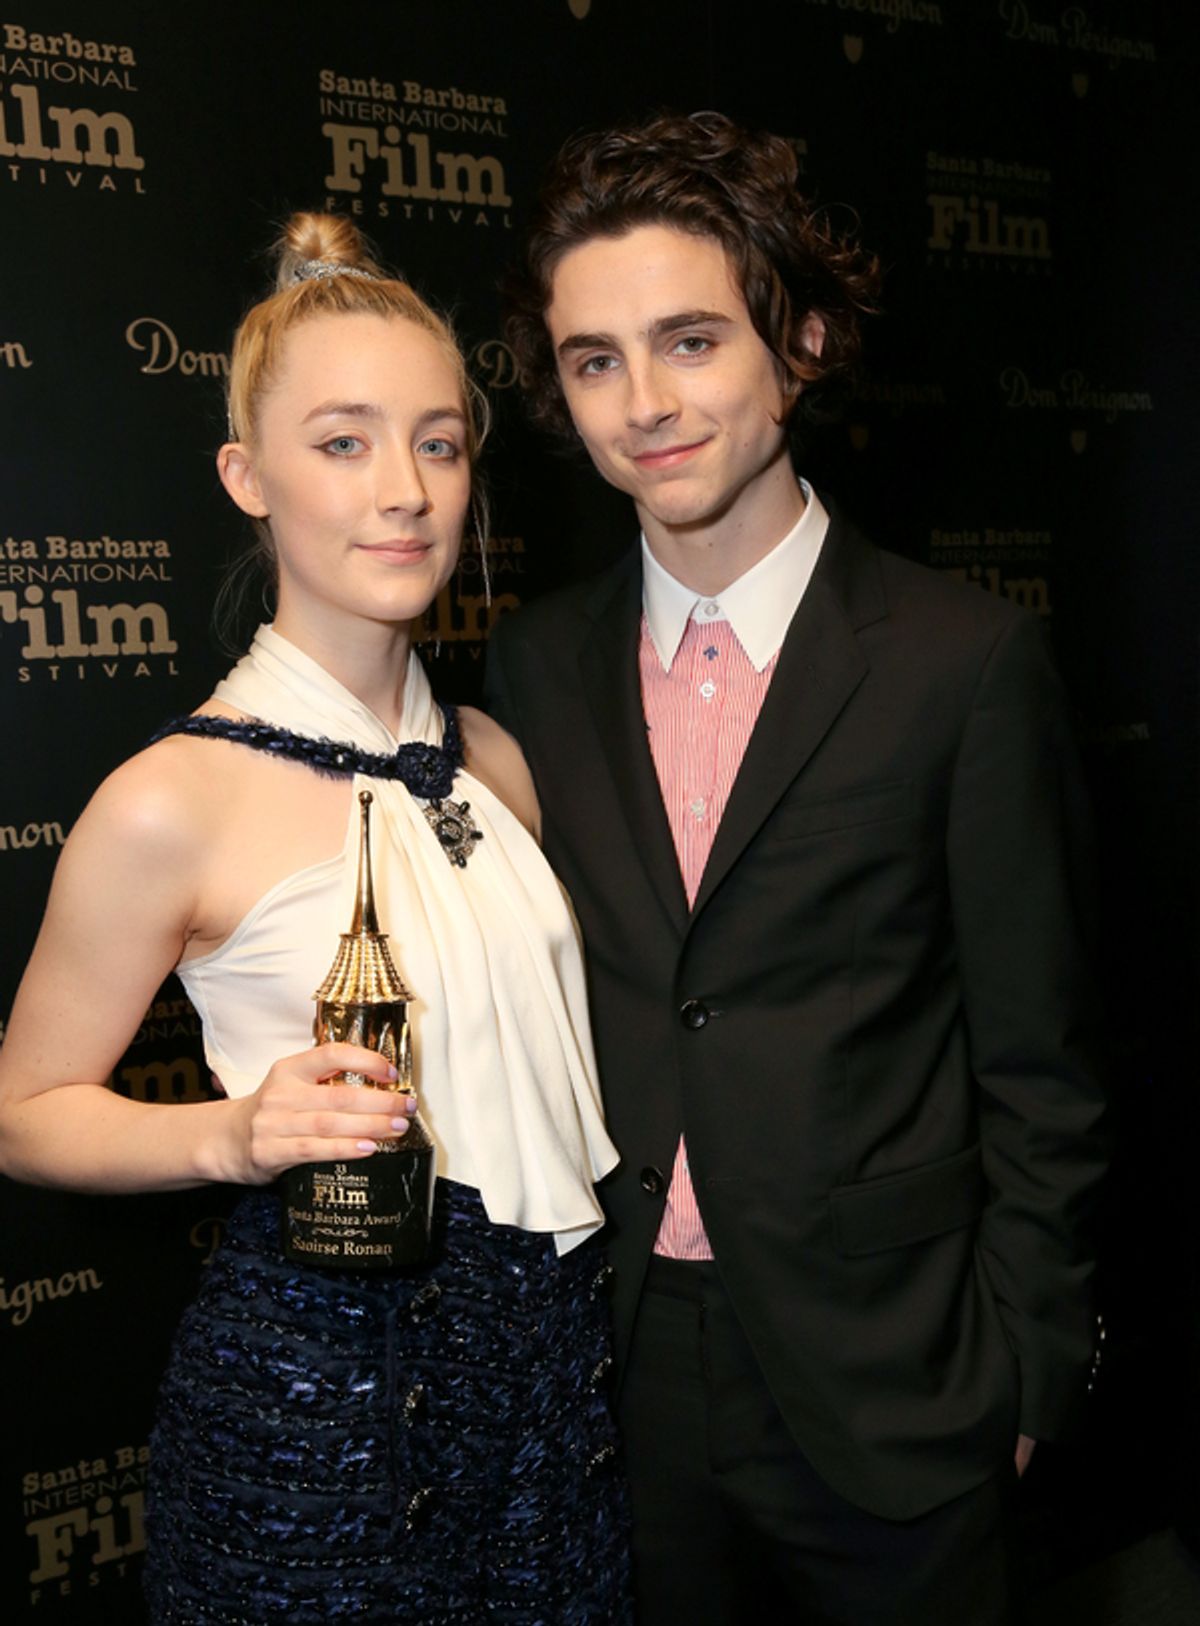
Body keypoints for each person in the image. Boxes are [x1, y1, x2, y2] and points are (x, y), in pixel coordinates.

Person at [487, 111, 1108, 1624]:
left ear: (803, 342)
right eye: (594, 360)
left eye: (691, 340)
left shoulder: (963, 663)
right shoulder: (535, 662)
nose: (645, 402)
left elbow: (1045, 1064)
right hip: (623, 1365)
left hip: (894, 1375)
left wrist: (1026, 1366)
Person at [0, 213, 630, 1625]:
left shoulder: (495, 759)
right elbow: (20, 1103)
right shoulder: (173, 797)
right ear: (247, 475)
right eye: (343, 441)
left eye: (439, 441)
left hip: (551, 1382)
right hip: (323, 1400)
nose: (402, 489)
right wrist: (229, 1135)